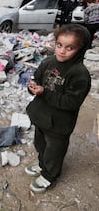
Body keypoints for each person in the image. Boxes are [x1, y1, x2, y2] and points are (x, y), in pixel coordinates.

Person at [25, 24, 91, 193]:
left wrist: (44, 93)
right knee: (40, 144)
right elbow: (38, 79)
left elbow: (71, 102)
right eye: (59, 45)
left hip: (59, 124)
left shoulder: (80, 74)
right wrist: (33, 86)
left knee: (54, 151)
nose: (62, 51)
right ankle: (42, 164)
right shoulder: (48, 62)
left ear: (80, 50)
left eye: (70, 48)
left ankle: (49, 175)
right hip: (41, 116)